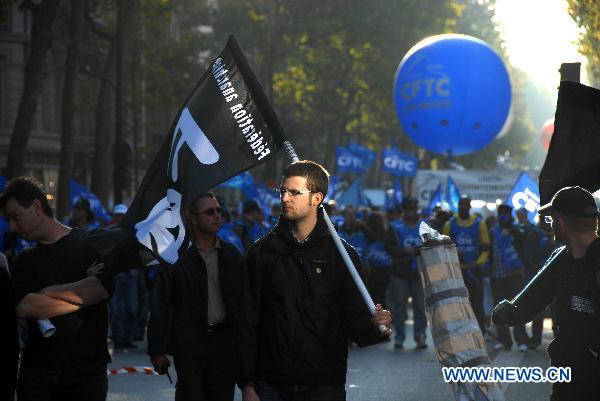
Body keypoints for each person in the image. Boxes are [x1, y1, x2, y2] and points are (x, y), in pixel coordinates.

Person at [239, 160, 391, 401]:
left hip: (324, 384)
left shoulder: (343, 256)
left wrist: (376, 326)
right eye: (282, 191)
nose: (285, 199)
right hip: (271, 384)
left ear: (317, 198)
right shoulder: (262, 253)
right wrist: (247, 383)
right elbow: (246, 322)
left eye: (294, 192)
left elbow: (355, 323)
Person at [1, 177, 115, 401]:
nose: (13, 227)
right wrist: (83, 293)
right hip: (38, 372)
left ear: (36, 207)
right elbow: (26, 307)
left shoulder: (91, 243)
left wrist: (46, 293)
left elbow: (101, 290)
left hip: (88, 372)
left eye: (15, 217)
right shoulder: (24, 260)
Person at [492, 186, 600, 400]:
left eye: (551, 220)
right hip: (567, 378)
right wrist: (504, 313)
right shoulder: (562, 259)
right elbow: (527, 304)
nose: (549, 225)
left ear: (560, 222)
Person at [148, 192, 252, 401]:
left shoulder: (231, 255)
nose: (217, 216)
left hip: (224, 344)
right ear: (194, 219)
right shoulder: (176, 258)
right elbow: (161, 305)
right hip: (189, 345)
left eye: (219, 211)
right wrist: (156, 350)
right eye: (210, 212)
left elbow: (244, 305)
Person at [384, 196, 428, 349]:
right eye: (410, 208)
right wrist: (404, 250)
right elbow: (388, 247)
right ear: (404, 210)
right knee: (399, 306)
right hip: (400, 273)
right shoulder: (394, 227)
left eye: (415, 208)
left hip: (419, 273)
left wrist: (421, 250)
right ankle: (400, 337)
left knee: (420, 307)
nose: (413, 211)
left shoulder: (425, 226)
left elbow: (433, 245)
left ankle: (420, 336)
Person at [442, 196, 490, 334]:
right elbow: (444, 247)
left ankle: (481, 332)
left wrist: (477, 263)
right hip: (456, 271)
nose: (463, 207)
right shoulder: (449, 224)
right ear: (458, 206)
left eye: (465, 204)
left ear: (469, 207)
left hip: (473, 271)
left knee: (477, 303)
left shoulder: (479, 224)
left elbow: (486, 248)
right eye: (461, 204)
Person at [489, 204, 529, 352]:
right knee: (499, 309)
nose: (503, 216)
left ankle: (521, 340)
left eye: (506, 213)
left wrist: (512, 230)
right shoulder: (492, 232)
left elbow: (523, 246)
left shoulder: (516, 231)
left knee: (517, 307)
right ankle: (503, 340)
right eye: (501, 213)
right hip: (497, 276)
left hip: (514, 276)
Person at [108, 203, 139, 349]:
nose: (120, 218)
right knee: (116, 308)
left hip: (131, 276)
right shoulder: (107, 234)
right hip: (115, 276)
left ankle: (129, 336)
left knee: (132, 307)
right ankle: (119, 338)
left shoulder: (135, 232)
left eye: (123, 216)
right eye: (118, 216)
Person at [365, 211, 392, 307]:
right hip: (374, 270)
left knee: (375, 298)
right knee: (381, 298)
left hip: (381, 270)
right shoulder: (366, 236)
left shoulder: (386, 235)